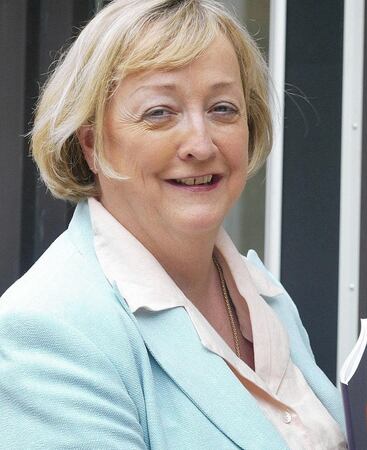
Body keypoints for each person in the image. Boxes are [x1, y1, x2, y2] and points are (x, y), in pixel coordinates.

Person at [0, 0, 346, 448]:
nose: (200, 144)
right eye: (159, 112)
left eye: (223, 109)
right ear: (92, 145)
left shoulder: (263, 295)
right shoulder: (47, 332)